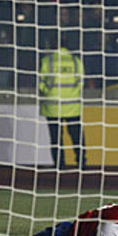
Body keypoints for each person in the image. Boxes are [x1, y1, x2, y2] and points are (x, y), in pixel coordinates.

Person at [38, 35, 85, 169]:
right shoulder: (75, 61)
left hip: (52, 106)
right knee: (77, 137)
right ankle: (81, 162)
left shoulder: (47, 61)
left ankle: (60, 164)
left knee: (56, 138)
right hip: (72, 106)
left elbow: (41, 83)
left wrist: (49, 92)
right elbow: (81, 82)